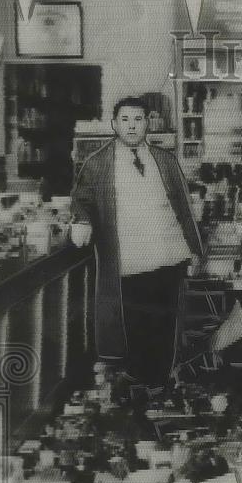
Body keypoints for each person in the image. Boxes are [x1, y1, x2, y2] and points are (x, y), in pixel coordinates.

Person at [71, 96, 202, 387]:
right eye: (125, 120)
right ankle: (144, 386)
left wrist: (194, 250)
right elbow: (83, 200)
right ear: (114, 124)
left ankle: (162, 384)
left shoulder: (165, 160)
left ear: (148, 124)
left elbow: (184, 207)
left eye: (138, 119)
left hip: (169, 255)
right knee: (135, 326)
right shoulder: (97, 164)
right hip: (130, 261)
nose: (132, 126)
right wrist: (81, 221)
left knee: (167, 324)